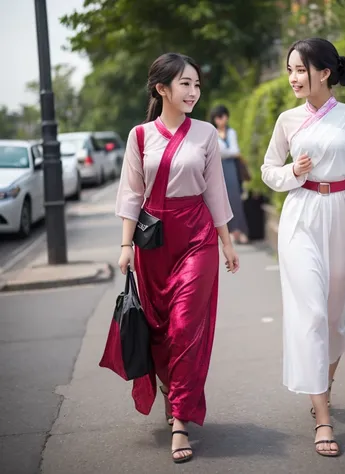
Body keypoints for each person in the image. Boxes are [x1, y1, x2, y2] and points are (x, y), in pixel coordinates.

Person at [116, 53, 240, 464]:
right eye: (185, 84)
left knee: (186, 326)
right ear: (162, 89)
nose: (193, 92)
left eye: (197, 85)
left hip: (197, 236)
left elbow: (215, 190)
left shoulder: (206, 134)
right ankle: (174, 389)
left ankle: (180, 419)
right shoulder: (139, 136)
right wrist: (124, 247)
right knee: (160, 330)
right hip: (152, 241)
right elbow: (132, 194)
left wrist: (226, 241)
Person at [261, 38, 345, 457]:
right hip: (301, 217)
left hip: (342, 216)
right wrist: (293, 170)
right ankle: (323, 417)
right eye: (289, 69)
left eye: (300, 69)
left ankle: (321, 386)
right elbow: (269, 170)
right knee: (310, 312)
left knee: (334, 318)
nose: (292, 77)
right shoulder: (288, 120)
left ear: (324, 72)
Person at [210, 105, 250, 244]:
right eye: (218, 117)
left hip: (232, 168)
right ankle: (231, 232)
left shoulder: (231, 132)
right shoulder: (212, 133)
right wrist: (228, 152)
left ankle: (240, 230)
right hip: (219, 169)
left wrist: (225, 152)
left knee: (236, 199)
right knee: (222, 201)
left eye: (223, 116)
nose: (221, 119)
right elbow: (219, 153)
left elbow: (234, 150)